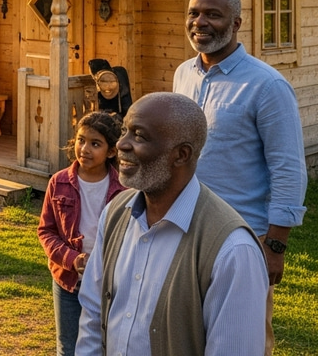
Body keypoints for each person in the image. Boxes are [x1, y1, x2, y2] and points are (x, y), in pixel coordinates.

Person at [76, 92, 269, 356]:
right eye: (125, 131)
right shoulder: (115, 214)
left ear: (181, 155)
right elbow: (93, 315)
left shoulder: (232, 251)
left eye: (139, 136)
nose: (121, 144)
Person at [173, 0, 307, 356]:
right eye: (194, 12)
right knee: (188, 332)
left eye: (212, 14)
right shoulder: (184, 74)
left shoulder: (266, 86)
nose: (200, 22)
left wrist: (275, 245)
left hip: (243, 237)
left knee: (241, 339)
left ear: (237, 23)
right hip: (186, 228)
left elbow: (288, 168)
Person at [37, 111, 123, 356]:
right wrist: (72, 259)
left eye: (95, 144)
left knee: (109, 345)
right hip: (68, 282)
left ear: (111, 151)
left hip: (111, 283)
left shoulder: (124, 189)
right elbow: (46, 231)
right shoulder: (58, 182)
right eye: (81, 140)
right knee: (69, 347)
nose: (85, 148)